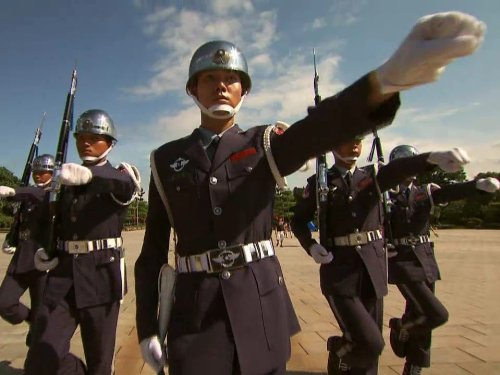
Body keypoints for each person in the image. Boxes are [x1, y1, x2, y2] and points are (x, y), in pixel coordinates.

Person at [134, 12, 485, 375]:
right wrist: (147, 325)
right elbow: (152, 254)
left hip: (259, 303)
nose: (221, 86)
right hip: (194, 314)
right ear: (193, 89)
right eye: (209, 78)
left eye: (231, 79)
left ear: (244, 90)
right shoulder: (165, 159)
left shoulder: (262, 143)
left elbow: (315, 131)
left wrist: (383, 83)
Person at [290, 135, 470, 375]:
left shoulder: (372, 178)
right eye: (348, 138)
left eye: (359, 139)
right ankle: (338, 350)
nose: (354, 144)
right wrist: (310, 245)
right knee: (370, 342)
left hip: (372, 267)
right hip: (339, 270)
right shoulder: (319, 183)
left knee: (372, 348)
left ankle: (347, 359)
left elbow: (396, 171)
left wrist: (431, 160)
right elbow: (299, 221)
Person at [24, 109, 141, 375]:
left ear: (110, 143)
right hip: (63, 278)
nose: (85, 142)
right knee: (40, 358)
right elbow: (52, 220)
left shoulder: (118, 174)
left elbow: (125, 185)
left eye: (94, 137)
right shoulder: (63, 180)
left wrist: (90, 176)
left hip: (101, 277)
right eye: (81, 137)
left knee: (100, 361)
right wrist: (45, 246)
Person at [386, 145, 500, 375]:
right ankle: (401, 327)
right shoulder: (385, 195)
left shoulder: (423, 191)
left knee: (420, 313)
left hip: (425, 258)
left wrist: (476, 186)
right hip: (401, 261)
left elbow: (449, 192)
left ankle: (414, 365)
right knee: (434, 313)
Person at [0, 154, 54, 346]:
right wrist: (11, 239)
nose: (38, 175)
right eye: (35, 172)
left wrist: (12, 191)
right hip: (21, 261)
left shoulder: (52, 194)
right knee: (4, 303)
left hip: (43, 264)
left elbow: (34, 193)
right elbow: (19, 222)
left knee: (42, 322)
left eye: (43, 172)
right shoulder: (28, 195)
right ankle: (32, 320)